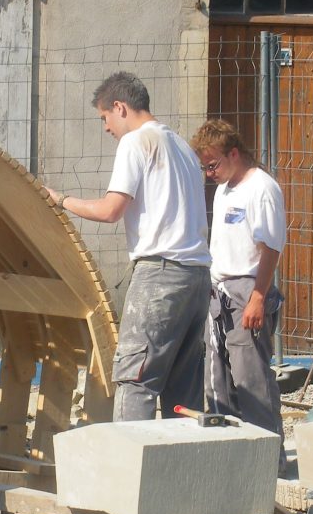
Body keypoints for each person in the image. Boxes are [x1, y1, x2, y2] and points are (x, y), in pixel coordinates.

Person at [44, 72, 212, 421]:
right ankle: (179, 473)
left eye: (105, 118)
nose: (106, 128)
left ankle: (127, 471)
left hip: (160, 276)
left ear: (120, 107)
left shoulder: (136, 143)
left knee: (136, 381)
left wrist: (61, 200)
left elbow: (110, 210)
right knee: (183, 394)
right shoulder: (182, 146)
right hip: (196, 278)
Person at [191, 118, 287, 470]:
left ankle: (267, 463)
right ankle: (228, 461)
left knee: (252, 380)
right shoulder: (225, 188)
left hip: (248, 289)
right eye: (204, 167)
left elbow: (271, 249)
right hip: (219, 291)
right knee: (218, 381)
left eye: (212, 164)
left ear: (234, 153)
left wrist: (258, 298)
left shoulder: (261, 189)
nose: (209, 173)